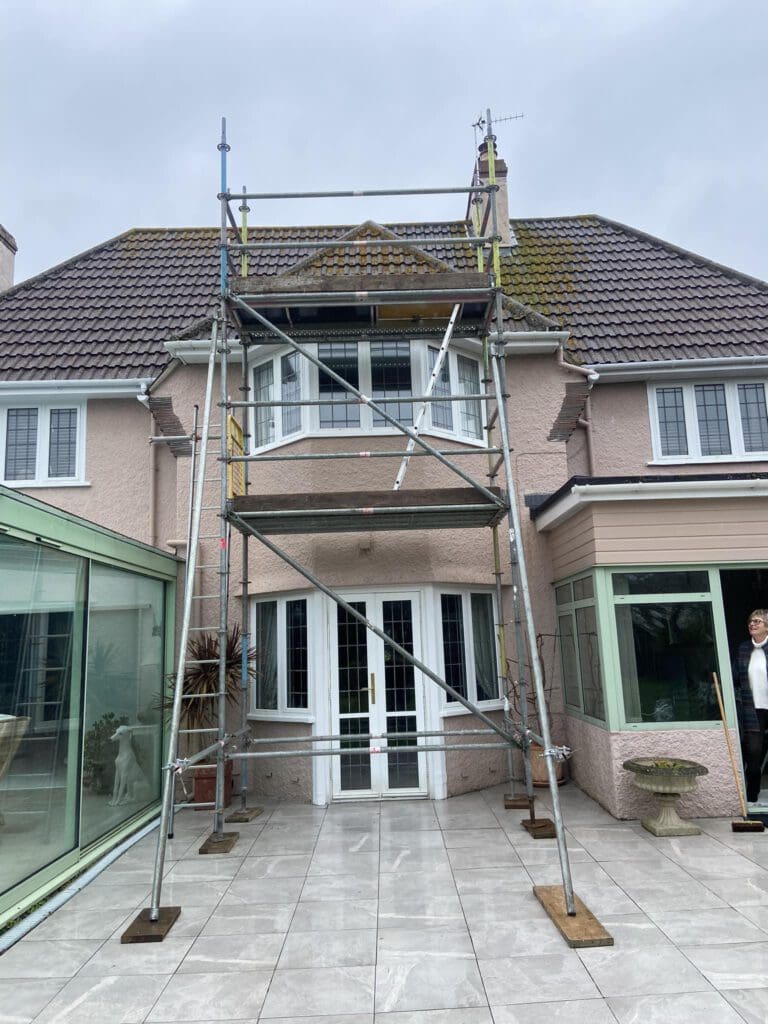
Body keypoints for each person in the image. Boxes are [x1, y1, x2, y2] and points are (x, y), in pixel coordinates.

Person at [733, 609, 768, 804]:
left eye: (757, 622)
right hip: (753, 709)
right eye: (750, 622)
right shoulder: (744, 649)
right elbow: (736, 676)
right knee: (753, 751)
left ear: (767, 626)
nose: (752, 624)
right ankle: (752, 798)